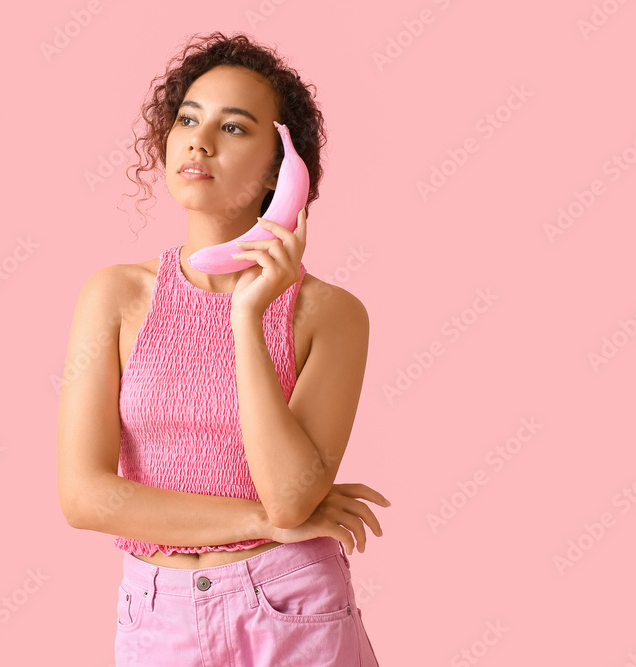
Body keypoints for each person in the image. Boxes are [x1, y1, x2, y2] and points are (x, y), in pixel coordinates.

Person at [56, 31, 390, 666]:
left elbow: (291, 495)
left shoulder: (332, 315)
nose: (199, 141)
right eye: (188, 118)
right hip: (159, 613)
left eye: (234, 128)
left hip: (291, 604)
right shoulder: (115, 297)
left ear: (282, 170)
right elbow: (85, 496)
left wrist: (247, 316)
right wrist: (262, 523)